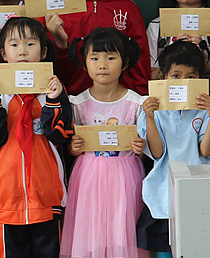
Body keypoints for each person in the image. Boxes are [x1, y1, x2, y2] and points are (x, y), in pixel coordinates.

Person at [0, 16, 74, 258]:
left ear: (43, 52)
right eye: (14, 45)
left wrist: (53, 100)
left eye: (30, 44)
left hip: (46, 194)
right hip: (6, 195)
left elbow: (60, 135)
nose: (22, 51)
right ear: (3, 53)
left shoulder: (53, 89)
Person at [62, 28, 148, 258]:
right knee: (91, 230)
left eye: (111, 58)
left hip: (126, 175)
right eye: (94, 58)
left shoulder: (137, 103)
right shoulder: (77, 103)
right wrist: (73, 148)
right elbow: (71, 146)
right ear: (84, 63)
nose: (102, 65)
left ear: (125, 62)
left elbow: (144, 147)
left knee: (123, 228)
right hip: (89, 175)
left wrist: (141, 149)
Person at [136, 41, 210, 258]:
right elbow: (157, 153)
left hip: (198, 189)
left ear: (200, 79)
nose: (183, 82)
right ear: (163, 76)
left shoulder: (204, 110)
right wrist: (149, 117)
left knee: (198, 247)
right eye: (176, 75)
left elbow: (206, 151)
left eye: (191, 77)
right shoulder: (153, 109)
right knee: (165, 251)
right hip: (163, 191)